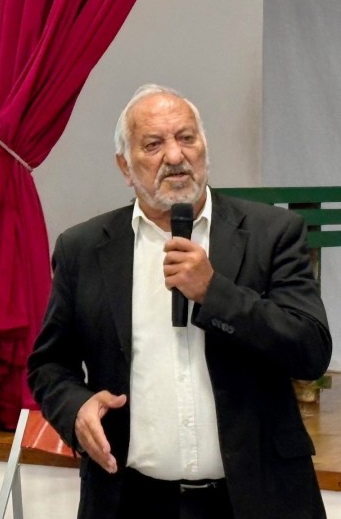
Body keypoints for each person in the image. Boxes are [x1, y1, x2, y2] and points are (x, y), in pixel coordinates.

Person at [27, 84, 331, 519]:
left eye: (186, 138)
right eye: (153, 144)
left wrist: (214, 293)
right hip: (131, 501)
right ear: (125, 166)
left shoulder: (272, 233)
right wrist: (75, 409)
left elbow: (310, 351)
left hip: (256, 499)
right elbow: (49, 365)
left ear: (204, 147)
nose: (175, 156)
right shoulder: (84, 249)